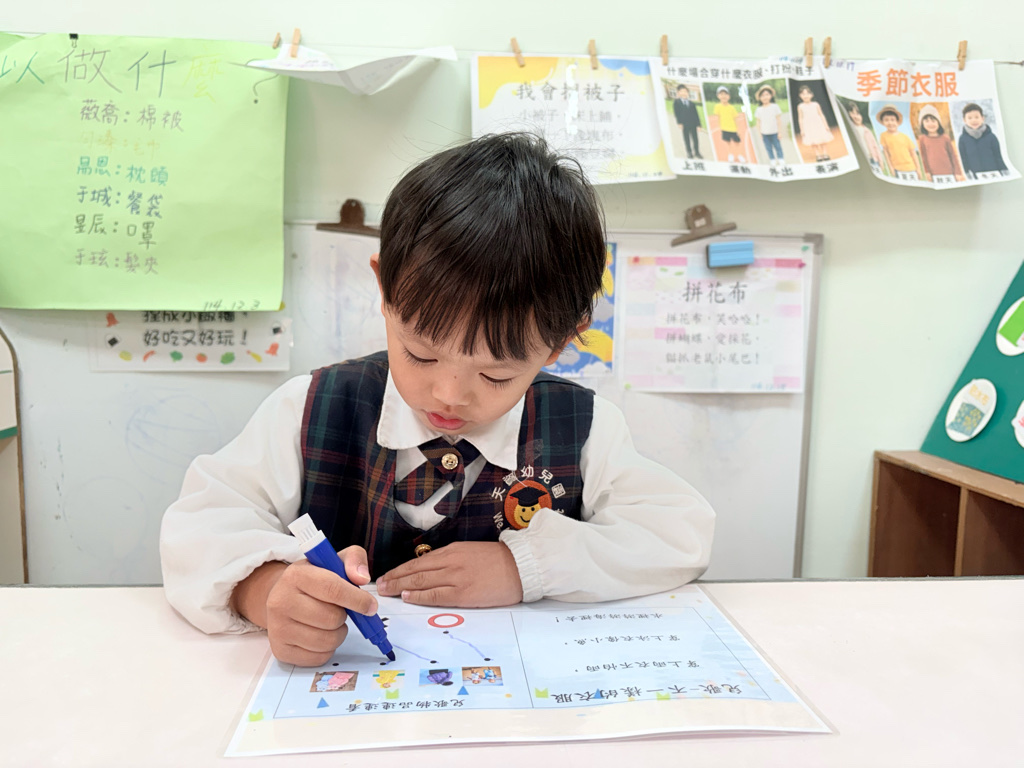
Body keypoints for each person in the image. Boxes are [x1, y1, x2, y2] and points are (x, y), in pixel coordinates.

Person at [160, 133, 716, 667]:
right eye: (420, 355)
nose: (449, 395)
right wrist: (267, 589)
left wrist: (527, 566)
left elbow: (680, 533)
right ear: (385, 289)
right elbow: (200, 527)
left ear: (561, 343)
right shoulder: (311, 407)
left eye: (495, 374)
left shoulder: (583, 427)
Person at [958, 103, 1008, 179]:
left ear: (982, 118)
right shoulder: (962, 139)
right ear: (964, 120)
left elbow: (998, 155)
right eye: (970, 118)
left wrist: (1004, 170)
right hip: (976, 176)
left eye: (977, 117)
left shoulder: (991, 137)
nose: (974, 120)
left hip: (994, 174)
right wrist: (967, 172)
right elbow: (963, 159)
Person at [916, 104, 964, 183]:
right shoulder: (922, 139)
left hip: (949, 173)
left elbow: (953, 156)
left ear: (938, 122)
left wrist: (957, 172)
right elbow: (923, 157)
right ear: (922, 124)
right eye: (927, 121)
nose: (930, 124)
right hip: (933, 175)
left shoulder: (945, 138)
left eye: (933, 120)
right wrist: (927, 172)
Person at [876, 104, 921, 179]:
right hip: (897, 169)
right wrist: (891, 168)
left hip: (911, 168)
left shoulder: (905, 137)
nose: (890, 123)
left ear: (897, 122)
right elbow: (886, 153)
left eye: (892, 120)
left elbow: (913, 154)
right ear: (883, 122)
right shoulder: (883, 136)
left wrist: (918, 169)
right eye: (886, 120)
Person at [845, 101, 889, 175]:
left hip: (873, 159)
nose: (856, 116)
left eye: (857, 114)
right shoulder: (851, 129)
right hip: (862, 160)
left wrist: (881, 161)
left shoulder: (867, 131)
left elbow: (875, 146)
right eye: (852, 113)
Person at [795, 85, 833, 162]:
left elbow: (821, 115)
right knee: (813, 141)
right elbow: (800, 118)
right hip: (808, 126)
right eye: (803, 94)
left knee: (822, 139)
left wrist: (826, 125)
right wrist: (802, 129)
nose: (805, 96)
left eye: (807, 93)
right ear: (800, 95)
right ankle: (818, 154)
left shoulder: (816, 104)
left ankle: (825, 153)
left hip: (818, 124)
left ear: (811, 95)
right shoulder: (800, 106)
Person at [754, 84, 784, 167]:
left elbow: (778, 120)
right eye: (762, 95)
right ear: (760, 98)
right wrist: (759, 133)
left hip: (774, 132)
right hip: (765, 133)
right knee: (768, 148)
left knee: (778, 146)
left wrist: (779, 132)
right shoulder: (759, 109)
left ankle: (781, 159)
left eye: (767, 94)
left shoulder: (775, 107)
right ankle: (772, 160)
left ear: (771, 96)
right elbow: (758, 122)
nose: (765, 97)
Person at [713, 86, 745, 163]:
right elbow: (718, 118)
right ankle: (731, 155)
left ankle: (739, 155)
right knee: (728, 143)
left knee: (737, 143)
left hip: (733, 129)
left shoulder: (731, 107)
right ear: (718, 96)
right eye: (721, 94)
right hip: (724, 129)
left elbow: (736, 119)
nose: (723, 96)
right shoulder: (717, 107)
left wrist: (738, 129)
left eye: (725, 94)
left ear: (729, 96)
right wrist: (719, 128)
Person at [673, 84, 702, 159]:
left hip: (693, 124)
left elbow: (696, 114)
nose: (684, 93)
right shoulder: (677, 102)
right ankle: (689, 152)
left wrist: (698, 125)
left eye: (685, 91)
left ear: (688, 93)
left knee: (695, 139)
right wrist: (679, 123)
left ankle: (697, 152)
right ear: (678, 93)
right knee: (687, 139)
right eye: (682, 91)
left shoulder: (692, 103)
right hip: (684, 124)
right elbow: (676, 113)